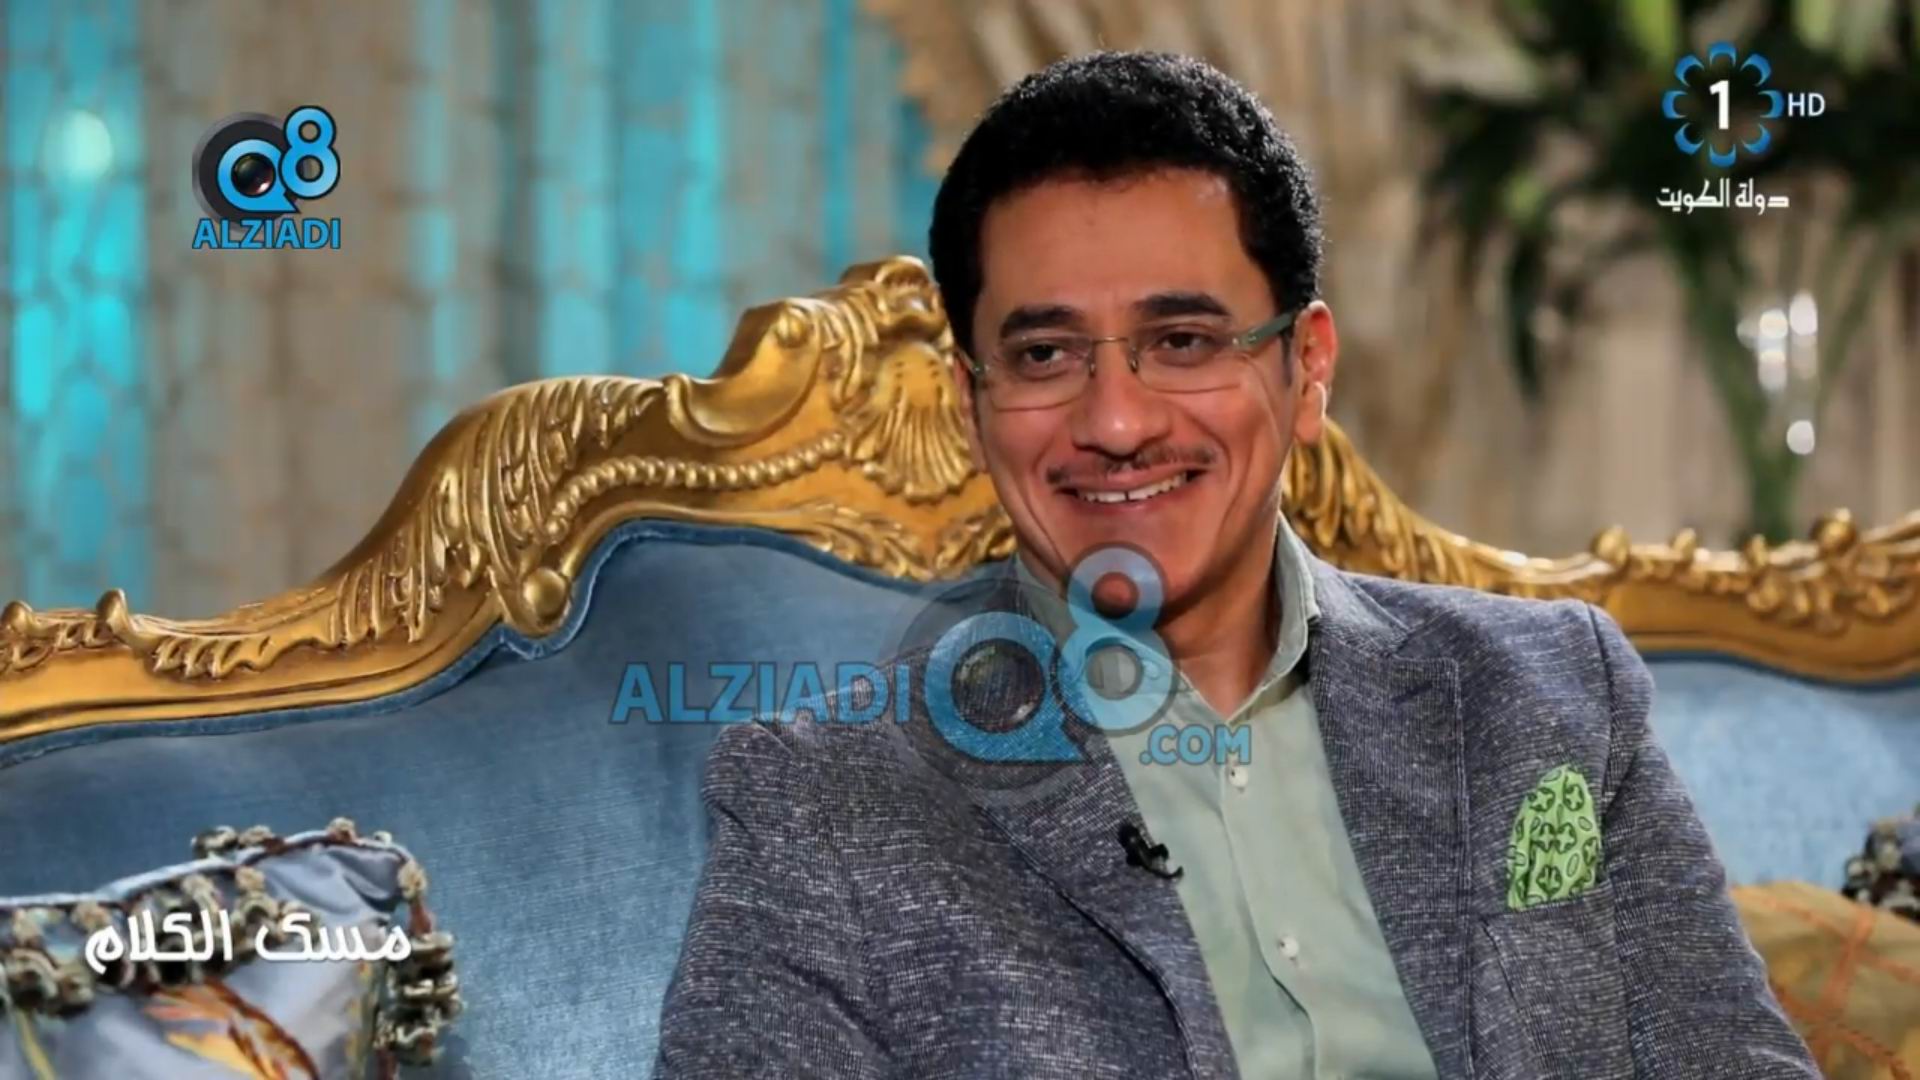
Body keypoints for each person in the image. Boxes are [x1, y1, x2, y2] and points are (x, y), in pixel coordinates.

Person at [654, 51, 1816, 1079]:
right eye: (1046, 354)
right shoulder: (825, 802)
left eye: (1183, 342)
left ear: (1307, 369)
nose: (1116, 422)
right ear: (972, 403)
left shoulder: (1552, 692)